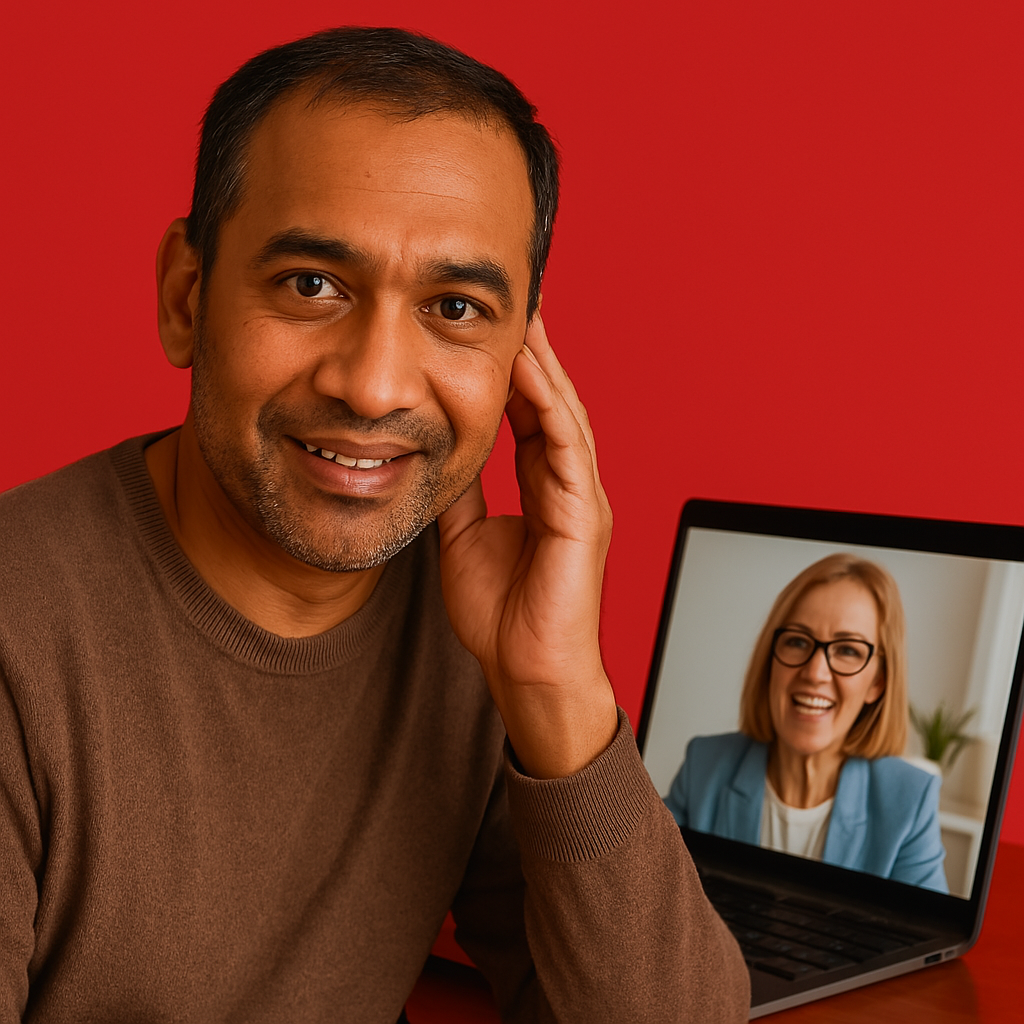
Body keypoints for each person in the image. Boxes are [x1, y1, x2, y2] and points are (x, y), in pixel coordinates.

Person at [0, 26, 749, 1024]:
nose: (375, 383)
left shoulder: (469, 627)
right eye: (311, 285)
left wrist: (554, 688)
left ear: (523, 356)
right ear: (188, 297)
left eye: (455, 307)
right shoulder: (21, 634)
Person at [665, 553, 948, 893]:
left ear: (878, 682)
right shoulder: (704, 765)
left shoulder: (910, 801)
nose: (815, 673)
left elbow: (921, 939)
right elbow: (647, 900)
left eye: (848, 650)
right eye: (798, 642)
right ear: (771, 660)